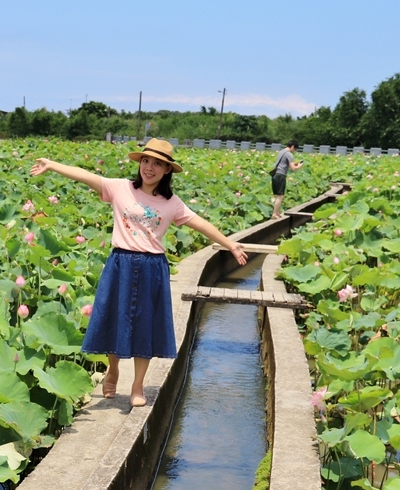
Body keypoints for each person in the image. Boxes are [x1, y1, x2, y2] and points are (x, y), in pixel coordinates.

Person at [30, 139, 247, 408]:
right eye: (146, 161)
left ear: (167, 170)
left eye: (158, 163)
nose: (150, 167)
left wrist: (229, 243)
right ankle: (113, 370)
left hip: (152, 267)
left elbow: (200, 223)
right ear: (140, 163)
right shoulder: (121, 188)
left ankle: (137, 384)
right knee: (114, 318)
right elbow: (88, 176)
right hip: (120, 262)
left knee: (145, 326)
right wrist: (52, 165)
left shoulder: (172, 203)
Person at [269, 140, 304, 220]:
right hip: (281, 175)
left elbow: (284, 164)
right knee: (280, 195)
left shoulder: (281, 152)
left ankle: (277, 213)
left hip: (275, 174)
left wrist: (295, 164)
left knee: (278, 195)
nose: (294, 151)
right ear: (292, 147)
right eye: (295, 149)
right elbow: (293, 169)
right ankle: (274, 214)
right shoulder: (289, 154)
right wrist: (300, 166)